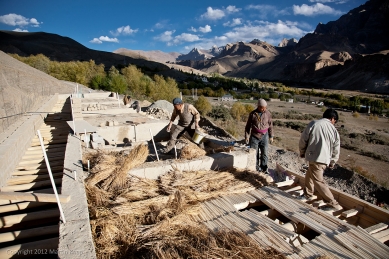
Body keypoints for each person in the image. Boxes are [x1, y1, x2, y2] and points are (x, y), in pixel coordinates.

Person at [299, 108, 342, 210]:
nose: (334, 123)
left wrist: (302, 152)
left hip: (315, 157)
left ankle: (333, 203)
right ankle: (308, 194)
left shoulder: (314, 124)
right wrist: (333, 161)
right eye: (334, 121)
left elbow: (303, 139)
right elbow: (336, 148)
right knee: (310, 173)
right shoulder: (334, 130)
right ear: (332, 118)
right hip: (324, 159)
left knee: (318, 181)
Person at [245, 99, 274, 174]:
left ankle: (264, 168)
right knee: (255, 153)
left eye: (265, 107)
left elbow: (270, 125)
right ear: (258, 106)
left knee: (265, 153)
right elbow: (248, 126)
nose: (264, 109)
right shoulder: (253, 114)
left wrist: (271, 136)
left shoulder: (268, 113)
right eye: (262, 107)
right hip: (254, 136)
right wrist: (247, 136)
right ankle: (256, 169)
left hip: (264, 136)